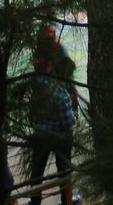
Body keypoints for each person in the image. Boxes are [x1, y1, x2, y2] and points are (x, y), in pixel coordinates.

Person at [28, 28, 78, 205]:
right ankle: (68, 202)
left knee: (37, 171)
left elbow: (31, 112)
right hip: (60, 134)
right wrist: (73, 110)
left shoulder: (35, 83)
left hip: (40, 132)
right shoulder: (60, 94)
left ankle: (35, 202)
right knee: (64, 170)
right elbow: (68, 121)